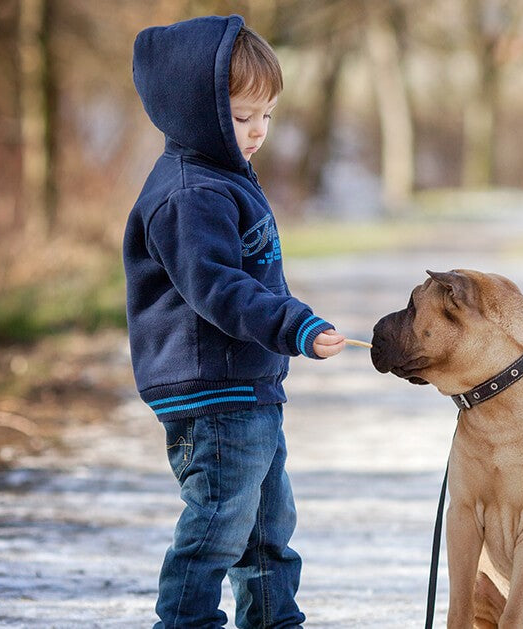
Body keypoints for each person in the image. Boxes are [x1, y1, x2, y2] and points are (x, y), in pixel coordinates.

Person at [124, 14, 344, 628]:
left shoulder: (222, 177)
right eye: (242, 118)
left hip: (249, 388)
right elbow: (218, 287)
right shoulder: (191, 193)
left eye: (266, 117)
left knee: (269, 532)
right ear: (197, 110)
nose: (257, 133)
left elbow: (254, 274)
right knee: (217, 529)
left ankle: (275, 621)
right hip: (213, 395)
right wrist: (294, 326)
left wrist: (286, 330)